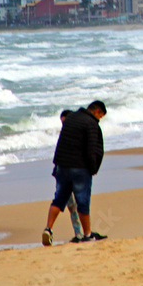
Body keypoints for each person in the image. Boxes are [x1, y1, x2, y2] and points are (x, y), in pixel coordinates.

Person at [42, 100, 108, 245]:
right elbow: (91, 149)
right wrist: (93, 168)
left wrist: (57, 165)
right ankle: (87, 234)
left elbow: (61, 142)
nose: (99, 120)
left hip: (62, 166)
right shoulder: (91, 124)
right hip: (79, 168)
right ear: (97, 112)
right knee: (82, 201)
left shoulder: (71, 118)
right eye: (100, 116)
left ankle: (48, 229)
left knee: (58, 200)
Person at [57, 110, 84, 243]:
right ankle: (79, 233)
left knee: (79, 204)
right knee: (71, 206)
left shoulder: (76, 135)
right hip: (64, 175)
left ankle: (84, 233)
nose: (64, 125)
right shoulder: (64, 135)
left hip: (76, 173)